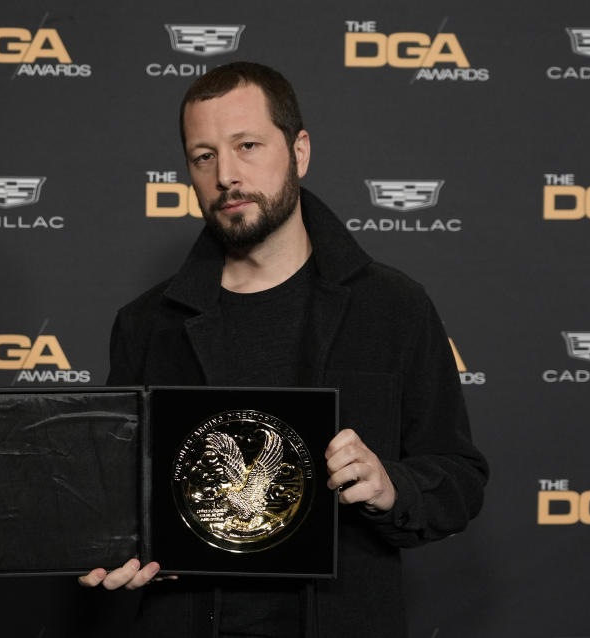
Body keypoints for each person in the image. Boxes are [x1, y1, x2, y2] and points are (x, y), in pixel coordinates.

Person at [79, 61, 488, 638]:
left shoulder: (393, 307)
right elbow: (115, 497)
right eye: (204, 156)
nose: (226, 175)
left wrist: (389, 486)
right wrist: (110, 548)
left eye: (247, 146)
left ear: (299, 151)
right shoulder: (147, 324)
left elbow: (459, 477)